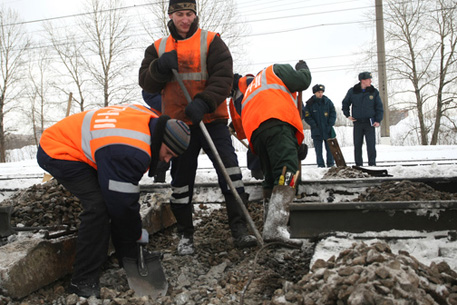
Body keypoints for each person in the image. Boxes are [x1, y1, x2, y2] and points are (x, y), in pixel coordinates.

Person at [138, 0, 257, 255]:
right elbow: (146, 84)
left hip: (211, 119)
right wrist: (158, 68)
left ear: (195, 15)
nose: (185, 19)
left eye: (189, 14)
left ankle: (240, 229)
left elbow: (224, 78)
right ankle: (185, 235)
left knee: (230, 171)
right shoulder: (157, 48)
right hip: (179, 125)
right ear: (171, 15)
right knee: (181, 181)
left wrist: (204, 102)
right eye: (180, 14)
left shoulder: (212, 41)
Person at [36, 104, 191, 298]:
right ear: (160, 139)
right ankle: (82, 280)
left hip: (87, 146)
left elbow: (122, 201)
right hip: (58, 149)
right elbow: (123, 206)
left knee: (113, 201)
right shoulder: (132, 150)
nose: (166, 160)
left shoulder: (152, 121)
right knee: (98, 207)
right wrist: (136, 236)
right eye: (168, 153)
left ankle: (125, 255)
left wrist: (131, 245)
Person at [240, 61, 312, 241]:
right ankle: (276, 228)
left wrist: (294, 146)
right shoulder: (276, 70)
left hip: (257, 134)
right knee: (287, 170)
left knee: (272, 176)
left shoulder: (252, 88)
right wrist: (303, 69)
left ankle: (269, 224)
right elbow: (303, 81)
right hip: (276, 122)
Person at [342, 72, 384, 166]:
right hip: (358, 122)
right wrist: (347, 115)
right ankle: (358, 165)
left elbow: (379, 107)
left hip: (370, 123)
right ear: (363, 81)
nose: (371, 81)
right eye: (369, 79)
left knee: (371, 145)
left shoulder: (374, 92)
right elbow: (345, 103)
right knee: (357, 145)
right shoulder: (353, 91)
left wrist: (378, 120)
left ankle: (372, 164)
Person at [304, 84, 336, 168]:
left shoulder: (327, 102)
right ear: (315, 93)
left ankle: (330, 164)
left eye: (322, 92)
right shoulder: (310, 103)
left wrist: (330, 123)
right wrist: (314, 124)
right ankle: (320, 165)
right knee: (318, 150)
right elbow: (307, 116)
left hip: (327, 129)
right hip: (316, 130)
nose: (320, 94)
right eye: (319, 92)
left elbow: (333, 112)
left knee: (330, 149)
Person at [142, 90, 170, 183]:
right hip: (160, 118)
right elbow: (149, 94)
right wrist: (170, 105)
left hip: (180, 117)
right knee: (161, 151)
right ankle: (159, 178)